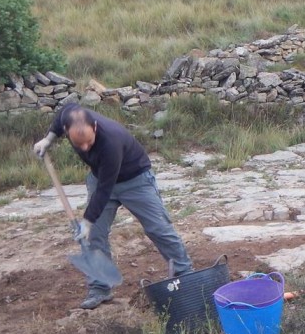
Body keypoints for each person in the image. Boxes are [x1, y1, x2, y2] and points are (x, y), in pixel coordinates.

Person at [33, 103, 192, 309]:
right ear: (67, 131)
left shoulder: (110, 142)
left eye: (88, 143)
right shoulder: (68, 117)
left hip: (135, 180)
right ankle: (100, 287)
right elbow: (61, 115)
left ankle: (186, 275)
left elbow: (105, 189)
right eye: (78, 144)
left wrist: (87, 221)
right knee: (93, 236)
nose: (84, 149)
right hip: (100, 178)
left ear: (96, 129)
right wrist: (48, 139)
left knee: (158, 228)